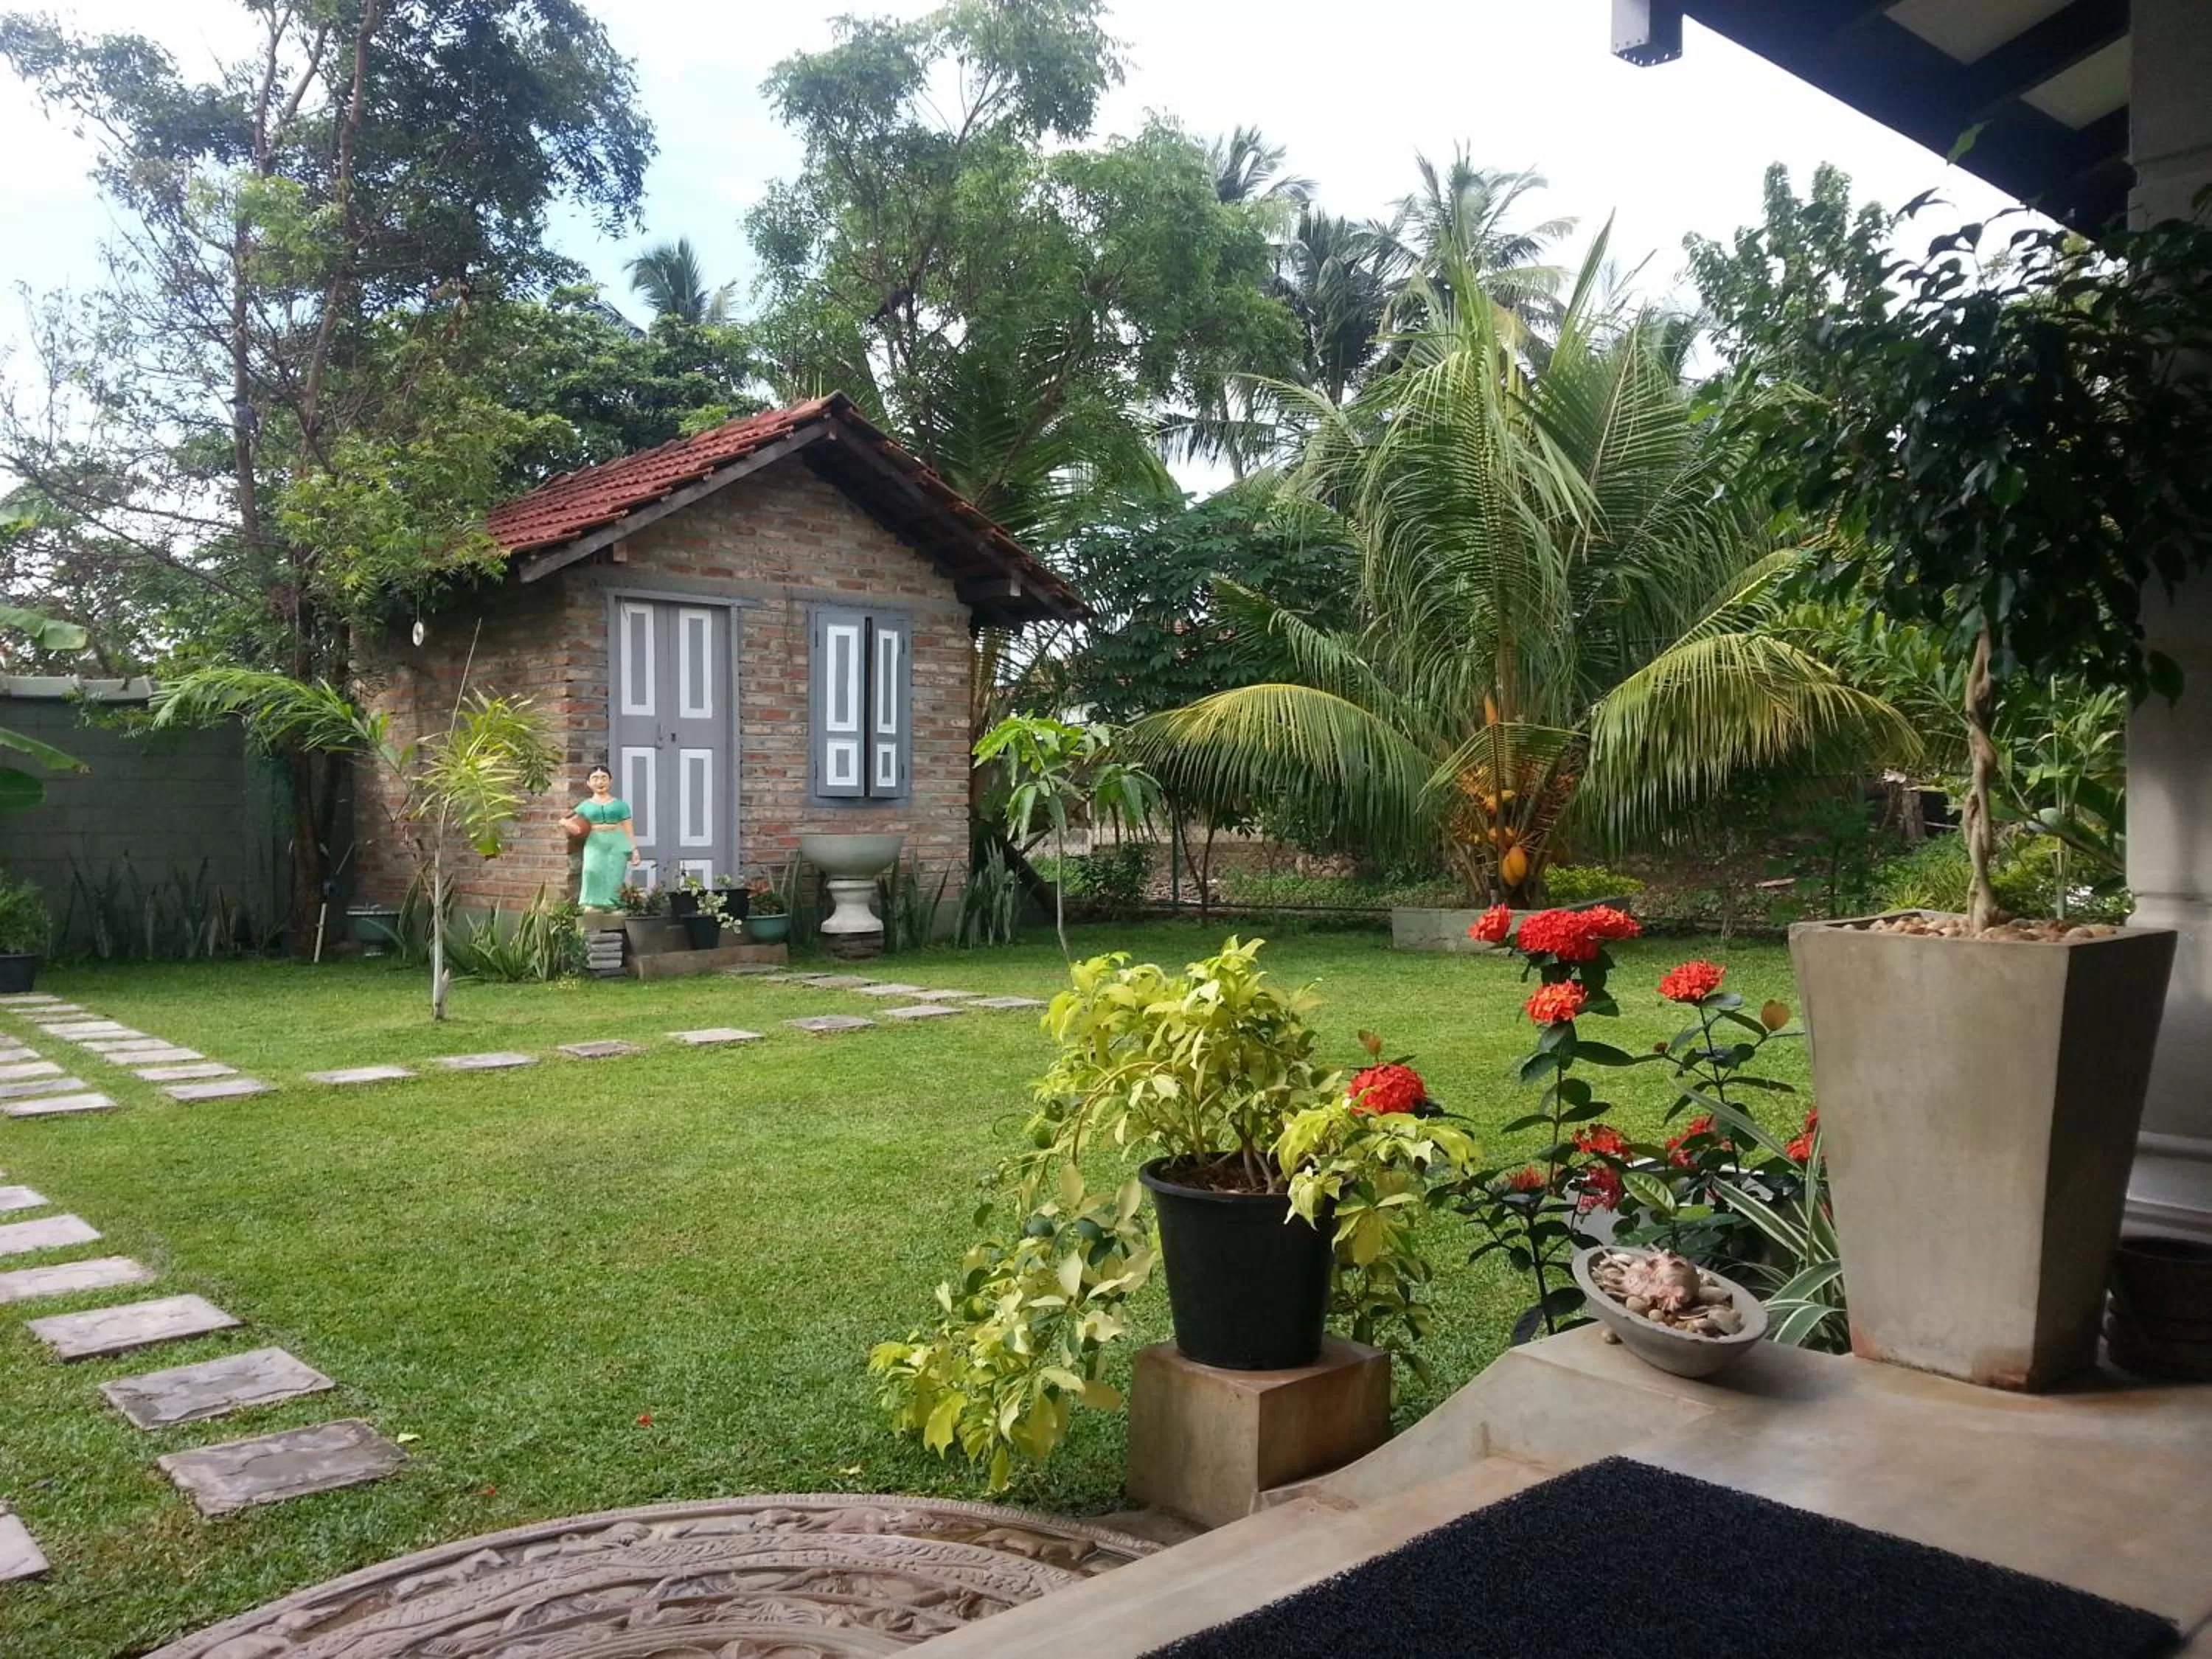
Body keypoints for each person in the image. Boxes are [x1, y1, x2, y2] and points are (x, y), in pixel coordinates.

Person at [565, 765, 639, 908]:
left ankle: (614, 905)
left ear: (610, 781)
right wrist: (566, 823)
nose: (600, 782)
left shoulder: (620, 805)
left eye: (604, 778)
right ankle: (590, 903)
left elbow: (628, 827)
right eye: (595, 779)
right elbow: (567, 817)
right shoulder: (585, 805)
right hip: (595, 840)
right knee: (591, 870)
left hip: (616, 840)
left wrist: (634, 849)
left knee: (615, 872)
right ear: (588, 783)